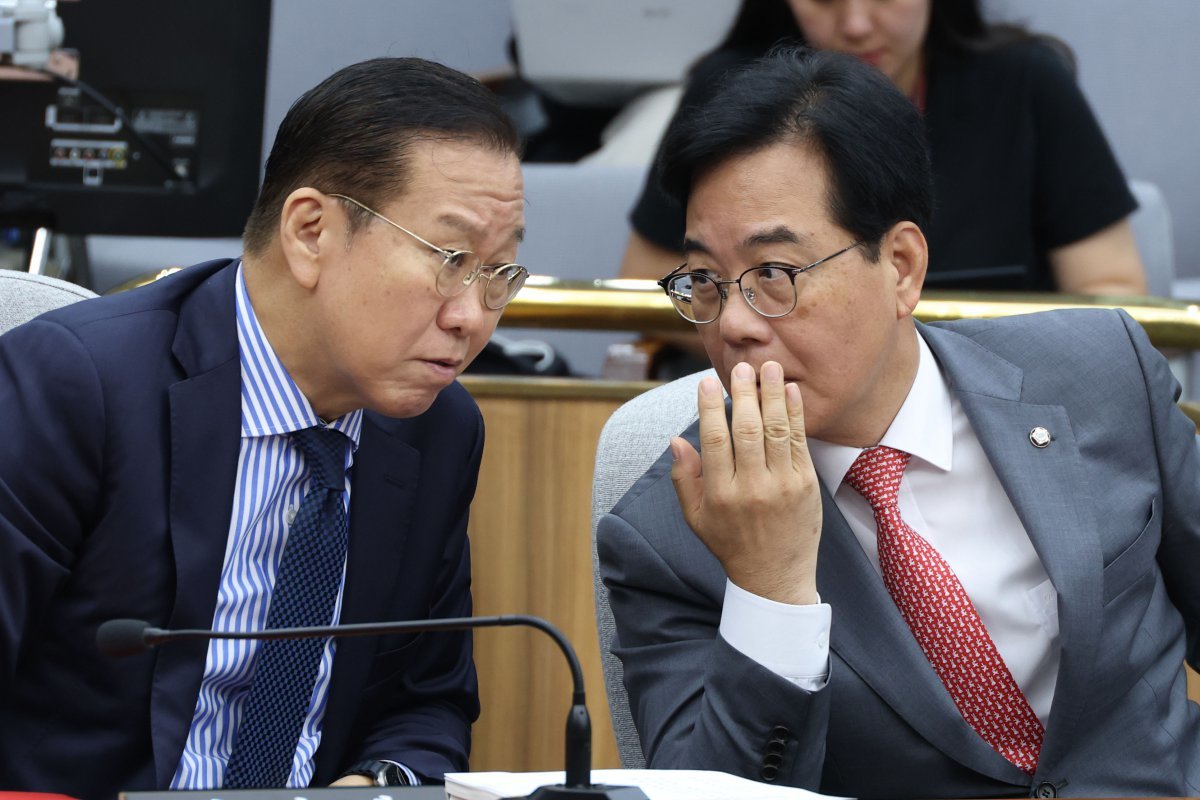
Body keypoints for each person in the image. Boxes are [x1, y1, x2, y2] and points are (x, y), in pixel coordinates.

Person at [595, 46, 1200, 798]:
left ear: (902, 266)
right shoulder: (665, 535)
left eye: (773, 275)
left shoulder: (1099, 374)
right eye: (704, 282)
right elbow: (715, 792)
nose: (735, 324)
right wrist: (769, 589)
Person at [0, 57, 527, 797]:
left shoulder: (437, 429)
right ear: (310, 231)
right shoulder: (78, 385)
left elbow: (426, 701)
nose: (472, 316)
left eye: (500, 273)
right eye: (451, 259)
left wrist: (376, 784)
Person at [619, 0, 1147, 330]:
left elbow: (1117, 295)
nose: (855, 24)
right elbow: (641, 290)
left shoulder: (1027, 82)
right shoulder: (731, 88)